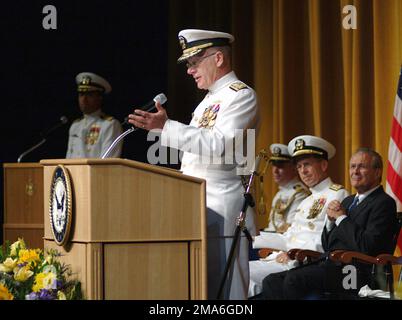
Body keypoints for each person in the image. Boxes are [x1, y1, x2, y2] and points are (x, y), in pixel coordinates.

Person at [128, 29, 259, 299]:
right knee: (201, 292)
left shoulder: (241, 96)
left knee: (227, 295)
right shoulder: (207, 102)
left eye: (194, 62)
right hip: (197, 206)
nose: (189, 70)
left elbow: (219, 146)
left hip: (223, 209)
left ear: (219, 58)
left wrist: (167, 127)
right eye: (188, 64)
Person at [262, 148, 398, 300]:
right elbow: (328, 244)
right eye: (352, 166)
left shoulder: (384, 203)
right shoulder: (349, 201)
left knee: (294, 280)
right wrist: (330, 223)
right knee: (271, 281)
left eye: (362, 166)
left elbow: (368, 246)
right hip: (332, 265)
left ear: (377, 172)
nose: (355, 171)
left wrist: (341, 219)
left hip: (358, 272)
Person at [248, 135, 349, 298]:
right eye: (300, 166)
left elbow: (327, 239)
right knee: (238, 270)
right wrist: (254, 237)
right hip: (286, 258)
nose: (303, 171)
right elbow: (290, 235)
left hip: (304, 261)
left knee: (244, 276)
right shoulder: (307, 200)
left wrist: (293, 254)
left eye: (307, 164)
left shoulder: (337, 194)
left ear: (323, 165)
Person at [66, 72, 123, 158]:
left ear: (99, 97)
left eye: (89, 95)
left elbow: (107, 162)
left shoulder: (110, 125)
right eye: (81, 94)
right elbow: (68, 159)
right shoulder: (75, 125)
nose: (84, 99)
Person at [263, 143, 310, 233]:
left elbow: (290, 228)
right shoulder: (281, 192)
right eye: (274, 165)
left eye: (280, 166)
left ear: (294, 168)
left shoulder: (299, 193)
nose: (275, 171)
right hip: (272, 238)